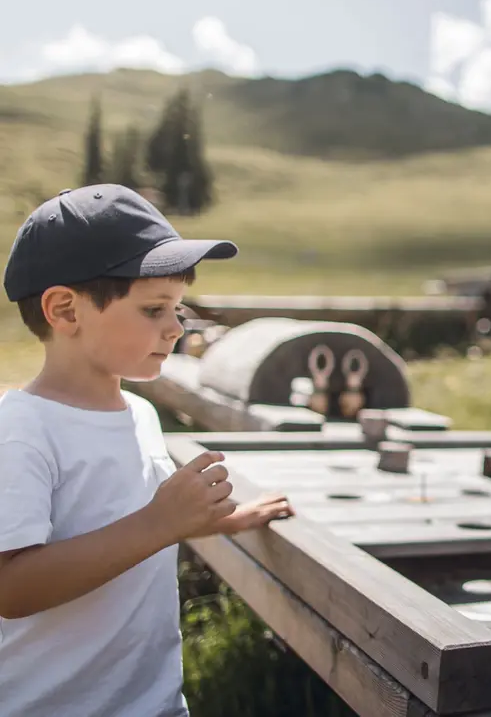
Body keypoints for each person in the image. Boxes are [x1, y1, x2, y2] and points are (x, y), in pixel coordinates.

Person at [0, 184, 294, 717]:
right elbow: (10, 587)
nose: (176, 327)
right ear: (65, 310)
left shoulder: (139, 414)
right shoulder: (21, 428)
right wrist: (161, 523)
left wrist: (219, 520)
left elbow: (128, 517)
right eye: (154, 309)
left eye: (177, 308)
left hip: (154, 703)